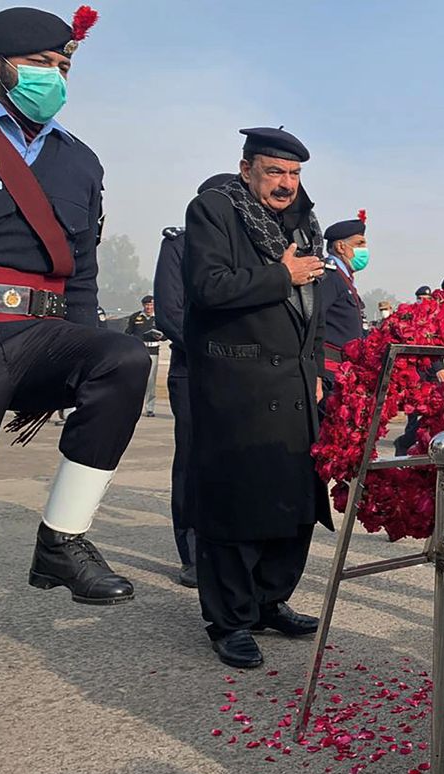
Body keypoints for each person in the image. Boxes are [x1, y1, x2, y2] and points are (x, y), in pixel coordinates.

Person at [0, 6, 147, 676]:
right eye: (42, 65)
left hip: (42, 334)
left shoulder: (79, 162)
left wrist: (79, 353)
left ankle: (62, 539)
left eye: (64, 66)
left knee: (123, 358)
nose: (54, 77)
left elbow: (78, 275)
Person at [182, 127, 333, 668]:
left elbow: (313, 309)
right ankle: (229, 621)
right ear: (247, 170)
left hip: (293, 384)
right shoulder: (214, 210)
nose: (286, 184)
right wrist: (279, 274)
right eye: (274, 172)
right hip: (238, 384)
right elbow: (209, 287)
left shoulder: (303, 224)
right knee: (237, 507)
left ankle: (271, 601)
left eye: (294, 174)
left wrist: (313, 369)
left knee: (293, 504)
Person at [152, 173, 234, 588]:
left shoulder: (247, 247)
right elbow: (168, 313)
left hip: (242, 377)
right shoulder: (179, 245)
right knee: (193, 460)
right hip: (195, 371)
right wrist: (219, 352)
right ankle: (193, 550)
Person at [321, 210, 368, 392]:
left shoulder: (344, 278)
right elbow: (315, 320)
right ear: (341, 247)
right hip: (329, 370)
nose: (364, 250)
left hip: (343, 370)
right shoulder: (329, 277)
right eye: (359, 244)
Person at [124, 294, 164, 417]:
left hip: (153, 351)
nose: (149, 307)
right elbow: (127, 332)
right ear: (143, 305)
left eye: (151, 305)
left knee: (151, 381)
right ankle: (132, 405)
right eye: (147, 305)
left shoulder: (159, 318)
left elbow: (166, 334)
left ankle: (150, 408)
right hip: (139, 350)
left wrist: (161, 336)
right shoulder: (135, 317)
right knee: (135, 378)